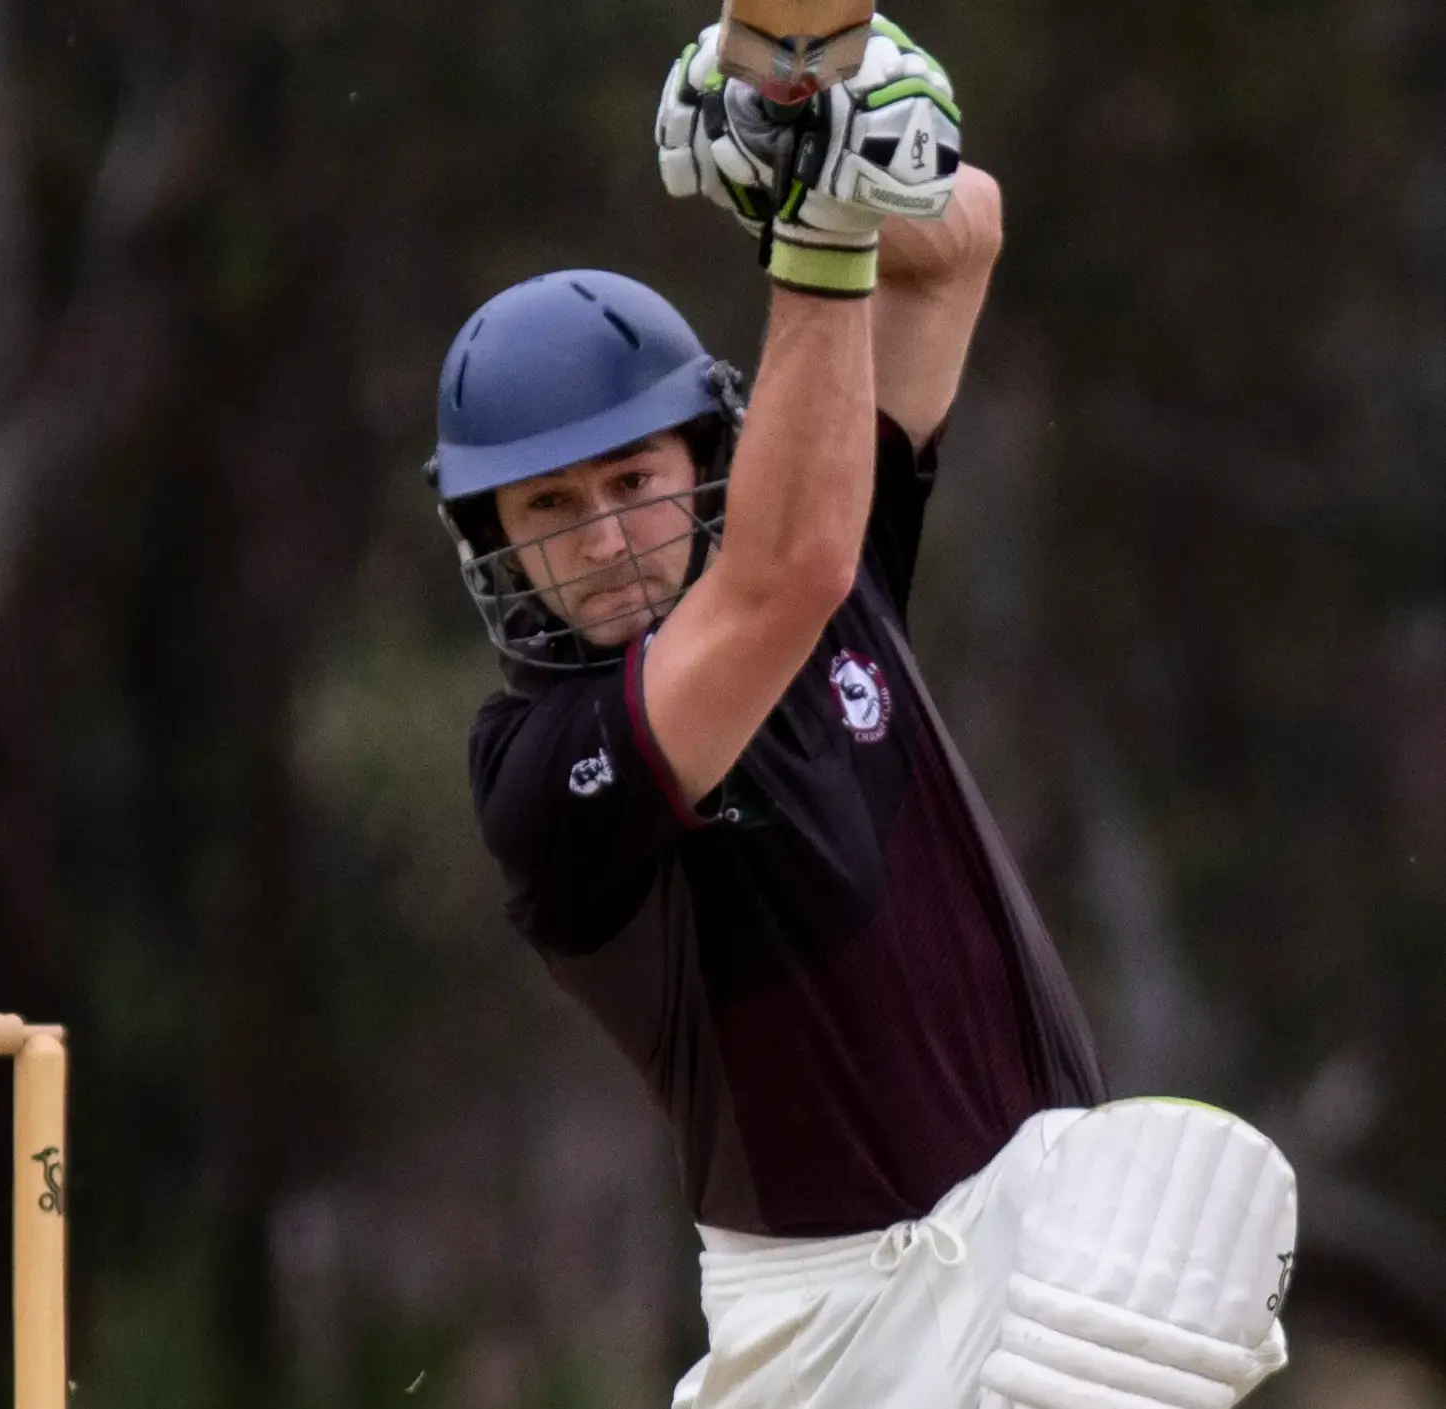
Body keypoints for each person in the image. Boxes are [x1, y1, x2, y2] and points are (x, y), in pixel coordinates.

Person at [430, 18, 1298, 1409]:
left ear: (704, 458)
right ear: (499, 547)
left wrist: (820, 127)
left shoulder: (825, 556)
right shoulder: (540, 768)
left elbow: (959, 247)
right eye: (549, 507)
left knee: (1175, 1212)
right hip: (834, 1323)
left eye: (632, 481)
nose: (604, 538)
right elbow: (781, 580)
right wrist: (822, 227)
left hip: (1029, 1241)